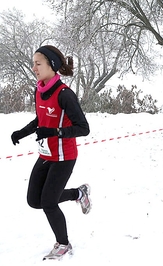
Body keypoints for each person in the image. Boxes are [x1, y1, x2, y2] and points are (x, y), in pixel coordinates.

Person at [10, 45, 91, 260]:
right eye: (33, 63)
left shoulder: (65, 94)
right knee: (34, 200)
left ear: (51, 65)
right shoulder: (40, 89)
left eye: (38, 63)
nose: (34, 67)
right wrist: (22, 132)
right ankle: (78, 194)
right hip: (46, 154)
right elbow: (40, 119)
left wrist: (55, 131)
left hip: (65, 156)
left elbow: (84, 128)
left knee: (48, 202)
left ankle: (63, 244)